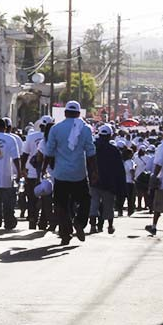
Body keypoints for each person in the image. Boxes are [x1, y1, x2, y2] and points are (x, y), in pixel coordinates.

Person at [43, 101, 97, 245]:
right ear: (79, 114)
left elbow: (49, 152)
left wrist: (43, 169)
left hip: (60, 174)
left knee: (61, 205)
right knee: (85, 200)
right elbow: (91, 153)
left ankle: (65, 234)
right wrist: (94, 172)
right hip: (79, 174)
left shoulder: (56, 129)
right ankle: (79, 222)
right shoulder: (85, 129)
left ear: (65, 113)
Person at [89, 125, 126, 235]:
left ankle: (92, 226)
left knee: (93, 204)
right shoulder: (114, 150)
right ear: (110, 136)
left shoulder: (92, 147)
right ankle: (109, 226)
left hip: (94, 181)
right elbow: (119, 170)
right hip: (109, 184)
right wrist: (121, 187)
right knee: (108, 206)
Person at [21, 115, 51, 229]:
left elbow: (25, 154)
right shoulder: (51, 138)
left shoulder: (31, 136)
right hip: (47, 174)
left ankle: (32, 218)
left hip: (31, 173)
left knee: (32, 198)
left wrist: (22, 168)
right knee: (46, 199)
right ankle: (43, 221)